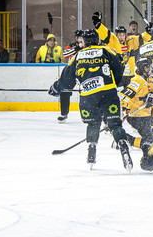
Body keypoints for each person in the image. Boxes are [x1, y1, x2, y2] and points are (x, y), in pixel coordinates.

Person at [48, 29, 133, 172]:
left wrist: (55, 89)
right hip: (109, 93)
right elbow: (120, 66)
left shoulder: (77, 56)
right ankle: (123, 143)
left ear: (84, 42)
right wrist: (115, 83)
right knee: (114, 124)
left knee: (93, 124)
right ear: (98, 40)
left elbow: (66, 80)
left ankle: (92, 148)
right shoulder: (106, 50)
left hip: (89, 96)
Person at [119, 56, 153, 146]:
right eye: (150, 66)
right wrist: (123, 111)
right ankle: (124, 139)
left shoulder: (149, 79)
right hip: (137, 117)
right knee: (150, 142)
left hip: (148, 114)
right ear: (145, 68)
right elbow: (123, 97)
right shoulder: (137, 81)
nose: (152, 68)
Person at [57, 29, 84, 123]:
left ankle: (87, 113)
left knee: (86, 92)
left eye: (81, 37)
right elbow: (65, 54)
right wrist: (77, 48)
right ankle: (64, 113)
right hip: (71, 71)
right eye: (79, 37)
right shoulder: (72, 45)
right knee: (64, 90)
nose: (80, 39)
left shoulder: (89, 46)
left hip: (84, 71)